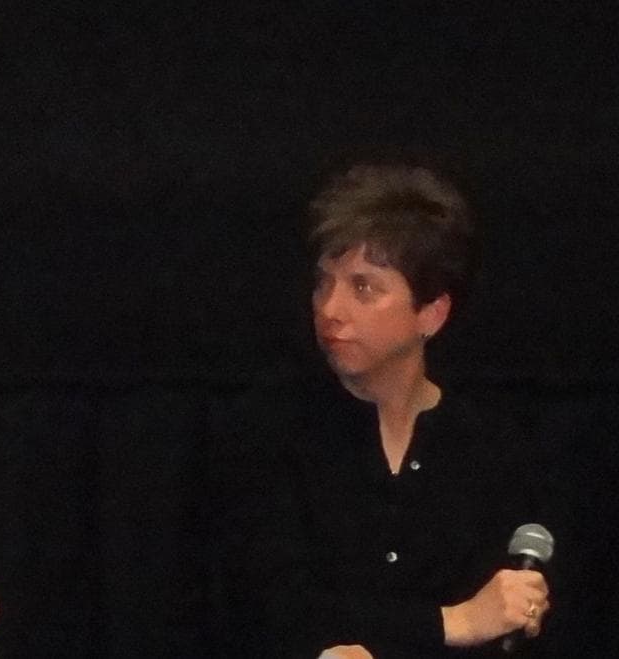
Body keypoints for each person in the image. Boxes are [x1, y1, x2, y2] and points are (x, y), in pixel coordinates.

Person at [215, 162, 556, 657]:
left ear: (431, 314)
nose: (329, 309)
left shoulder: (492, 448)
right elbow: (273, 609)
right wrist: (452, 622)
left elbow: (504, 619)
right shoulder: (265, 431)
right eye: (322, 283)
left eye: (363, 287)